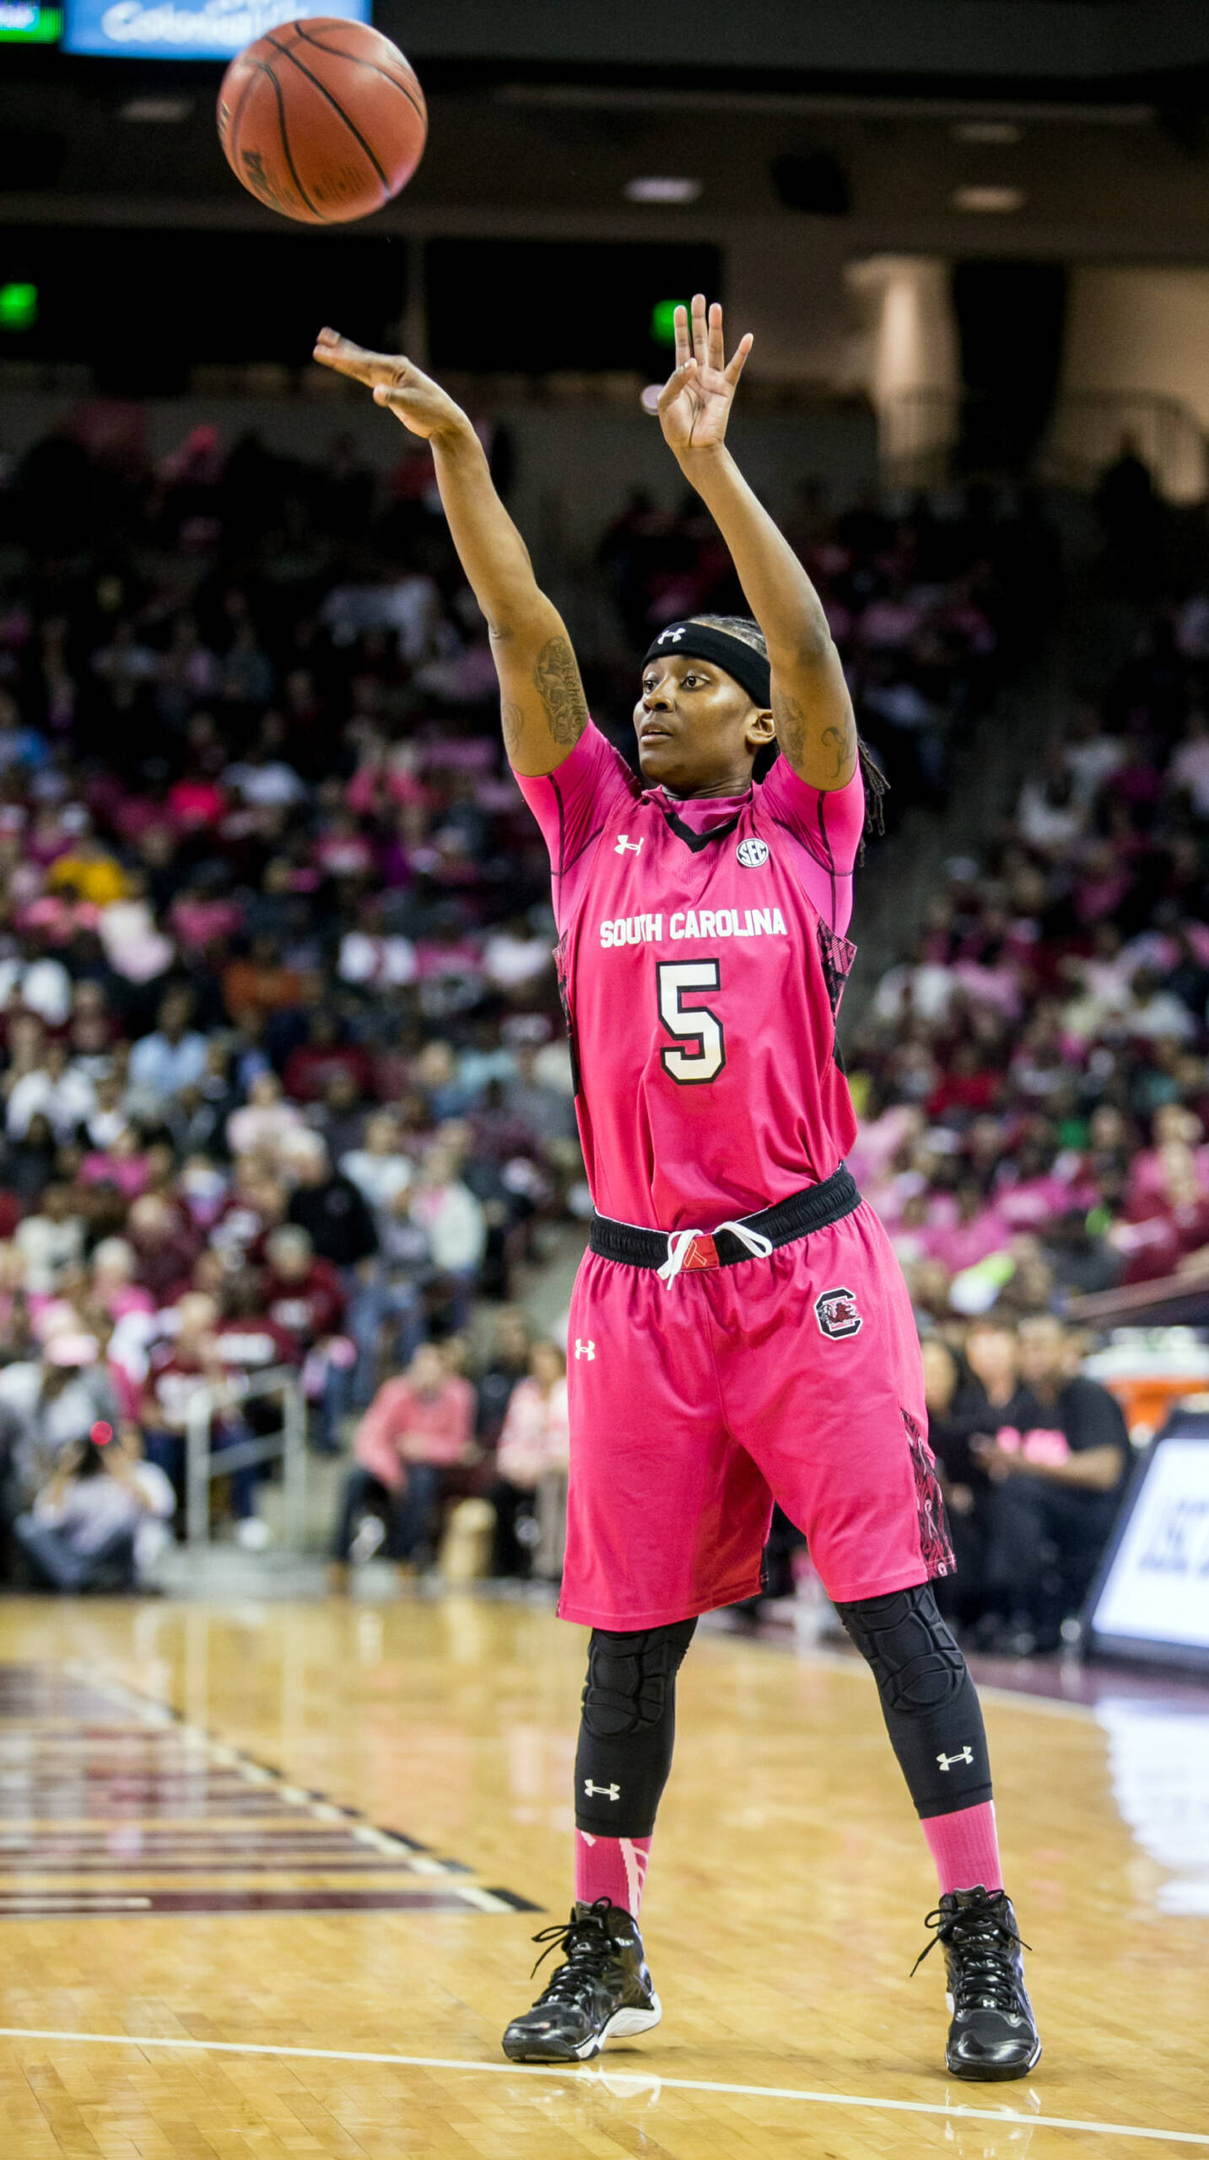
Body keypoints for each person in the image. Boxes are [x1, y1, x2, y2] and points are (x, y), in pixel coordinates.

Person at [316, 297, 1039, 2080]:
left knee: (889, 1610)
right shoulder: (585, 832)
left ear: (753, 726)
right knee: (623, 1637)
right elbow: (522, 627)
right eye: (648, 679)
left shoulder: (809, 826)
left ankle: (978, 1947)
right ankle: (606, 1947)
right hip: (636, 1294)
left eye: (689, 680)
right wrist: (461, 457)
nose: (655, 693)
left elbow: (805, 648)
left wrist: (708, 467)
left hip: (806, 1279)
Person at [974, 1313, 1129, 1655]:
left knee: (1019, 1491)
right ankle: (986, 1612)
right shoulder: (1026, 1404)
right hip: (1047, 1510)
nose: (1033, 1355)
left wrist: (1022, 1463)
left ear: (1066, 1349)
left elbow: (1105, 1471)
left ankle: (1030, 1617)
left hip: (1096, 1512)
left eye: (1042, 1346)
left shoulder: (1087, 1395)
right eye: (1026, 1347)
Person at [329, 1340, 475, 1583]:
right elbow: (370, 1437)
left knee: (422, 1480)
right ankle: (339, 1558)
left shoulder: (459, 1395)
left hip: (430, 1468)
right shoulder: (395, 1391)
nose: (425, 1375)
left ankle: (404, 1557)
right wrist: (393, 1474)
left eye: (432, 1369)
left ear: (443, 1372)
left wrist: (424, 1446)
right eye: (420, 1367)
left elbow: (459, 1445)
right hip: (388, 1466)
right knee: (354, 1478)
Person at [15, 1427, 174, 1593]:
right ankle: (78, 1579)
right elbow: (45, 1519)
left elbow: (160, 1510)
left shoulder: (146, 1473)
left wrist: (119, 1469)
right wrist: (64, 1471)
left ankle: (86, 1581)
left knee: (126, 1528)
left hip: (114, 1553)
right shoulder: (77, 1481)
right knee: (27, 1526)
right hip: (75, 1554)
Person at [490, 1340, 570, 1579]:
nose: (542, 1367)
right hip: (524, 1466)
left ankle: (551, 1565)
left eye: (547, 1361)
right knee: (498, 1494)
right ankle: (506, 1567)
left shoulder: (571, 1392)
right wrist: (513, 1465)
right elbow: (511, 1435)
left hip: (559, 1466)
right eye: (537, 1362)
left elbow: (577, 1438)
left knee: (554, 1484)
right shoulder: (524, 1392)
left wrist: (551, 1463)